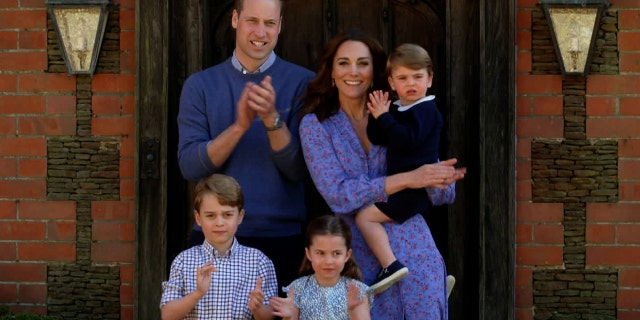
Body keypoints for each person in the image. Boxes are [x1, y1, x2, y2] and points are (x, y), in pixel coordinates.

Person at [298, 29, 465, 319]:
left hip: (416, 252)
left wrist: (440, 180)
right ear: (331, 72)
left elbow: (441, 193)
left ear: (374, 71)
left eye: (363, 63)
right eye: (344, 63)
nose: (354, 71)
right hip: (359, 258)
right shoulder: (316, 126)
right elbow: (338, 195)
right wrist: (407, 179)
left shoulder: (401, 113)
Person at [176, 0, 315, 295]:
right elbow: (190, 166)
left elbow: (299, 170)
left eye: (270, 23)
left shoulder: (304, 84)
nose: (261, 32)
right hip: (214, 239)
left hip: (281, 237)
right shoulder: (200, 85)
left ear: (281, 26)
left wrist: (271, 119)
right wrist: (239, 126)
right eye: (252, 21)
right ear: (235, 19)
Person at [355, 43, 457, 294]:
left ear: (430, 79)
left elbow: (406, 139)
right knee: (413, 237)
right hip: (404, 186)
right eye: (402, 78)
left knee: (364, 217)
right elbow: (379, 137)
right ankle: (433, 280)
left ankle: (390, 266)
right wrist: (377, 116)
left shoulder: (426, 111)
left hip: (415, 189)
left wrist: (384, 117)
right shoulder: (401, 108)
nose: (411, 83)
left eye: (417, 77)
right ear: (392, 82)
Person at [160, 174, 277, 320]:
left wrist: (258, 308)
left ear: (240, 216)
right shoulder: (183, 261)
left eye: (227, 214)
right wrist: (198, 293)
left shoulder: (259, 262)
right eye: (210, 215)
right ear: (198, 218)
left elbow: (270, 317)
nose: (219, 222)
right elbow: (167, 315)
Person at [269, 215, 373, 320]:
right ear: (308, 253)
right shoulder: (297, 289)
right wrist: (290, 317)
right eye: (320, 253)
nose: (328, 261)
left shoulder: (357, 291)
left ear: (347, 255)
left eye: (336, 253)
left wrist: (354, 312)